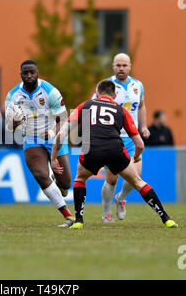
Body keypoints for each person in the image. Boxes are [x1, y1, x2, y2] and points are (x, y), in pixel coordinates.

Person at [51, 80, 178, 229]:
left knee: (80, 178)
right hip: (115, 150)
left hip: (92, 150)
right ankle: (166, 218)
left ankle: (79, 220)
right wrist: (136, 156)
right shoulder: (120, 110)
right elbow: (140, 144)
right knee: (138, 182)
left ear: (97, 93)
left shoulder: (86, 105)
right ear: (115, 95)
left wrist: (53, 158)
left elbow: (62, 134)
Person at [5, 60, 74, 227]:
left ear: (37, 73)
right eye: (25, 73)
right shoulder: (12, 96)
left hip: (54, 135)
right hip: (31, 137)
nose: (29, 76)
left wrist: (51, 133)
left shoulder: (50, 92)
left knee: (65, 183)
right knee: (40, 175)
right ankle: (68, 216)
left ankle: (59, 183)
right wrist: (15, 122)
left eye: (32, 72)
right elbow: (8, 127)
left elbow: (63, 119)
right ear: (20, 74)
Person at [94, 53, 150, 223]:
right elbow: (92, 107)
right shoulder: (106, 86)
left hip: (132, 138)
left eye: (124, 65)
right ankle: (106, 212)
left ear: (130, 66)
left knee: (136, 176)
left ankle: (120, 198)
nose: (121, 68)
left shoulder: (137, 85)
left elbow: (141, 106)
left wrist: (143, 126)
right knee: (111, 179)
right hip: (112, 138)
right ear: (113, 66)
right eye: (118, 65)